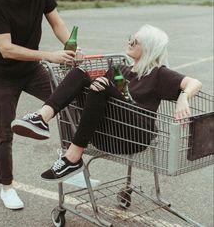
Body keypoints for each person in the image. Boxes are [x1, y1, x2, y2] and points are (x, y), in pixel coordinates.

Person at [11, 24, 202, 182]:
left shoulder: (158, 73)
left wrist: (183, 97)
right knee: (80, 74)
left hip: (134, 137)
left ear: (149, 47)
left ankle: (72, 157)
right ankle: (41, 117)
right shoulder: (120, 69)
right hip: (106, 135)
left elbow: (194, 83)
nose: (129, 42)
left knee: (101, 85)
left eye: (135, 41)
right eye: (130, 37)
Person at [0, 0, 81, 210]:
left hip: (32, 71)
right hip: (5, 75)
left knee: (70, 102)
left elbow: (57, 23)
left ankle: (69, 160)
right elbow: (7, 49)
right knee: (4, 132)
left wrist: (72, 47)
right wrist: (50, 55)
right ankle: (7, 188)